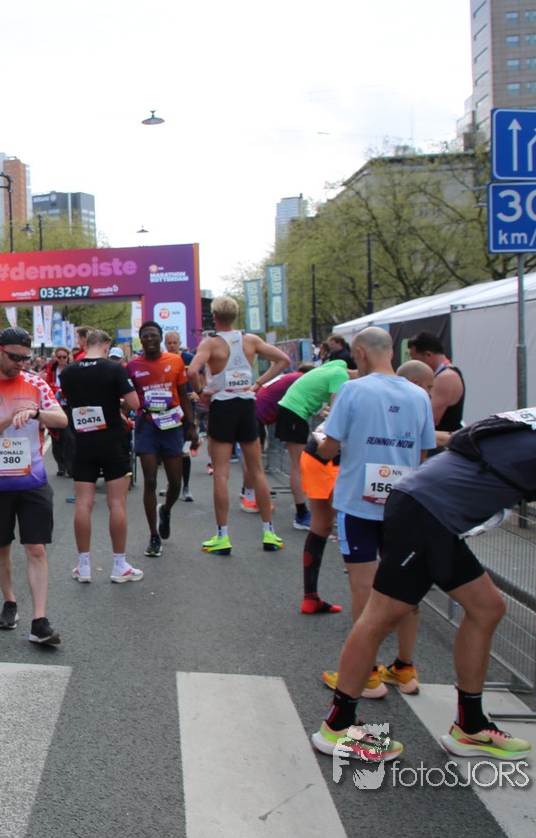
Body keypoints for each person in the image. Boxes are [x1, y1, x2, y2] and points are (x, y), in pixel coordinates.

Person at [313, 415, 536, 764]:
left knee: (487, 608)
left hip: (433, 515)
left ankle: (470, 727)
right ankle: (338, 727)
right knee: (380, 618)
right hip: (426, 513)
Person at [314, 327, 434, 700]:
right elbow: (422, 455)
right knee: (405, 586)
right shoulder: (419, 395)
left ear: (361, 354)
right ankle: (404, 667)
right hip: (403, 502)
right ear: (392, 353)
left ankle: (366, 674)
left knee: (363, 586)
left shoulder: (353, 391)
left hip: (358, 503)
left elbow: (329, 449)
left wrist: (320, 441)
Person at [0, 327, 67, 645]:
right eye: (15, 357)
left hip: (33, 480)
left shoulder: (35, 383)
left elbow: (62, 420)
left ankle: (39, 620)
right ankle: (10, 602)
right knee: (1, 547)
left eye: (25, 358)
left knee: (36, 548)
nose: (20, 363)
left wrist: (36, 413)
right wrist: (8, 418)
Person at [186, 295, 290, 555]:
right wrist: (258, 384)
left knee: (221, 473)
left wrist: (201, 393)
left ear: (215, 317)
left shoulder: (210, 344)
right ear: (235, 315)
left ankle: (223, 536)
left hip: (223, 406)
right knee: (257, 471)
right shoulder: (250, 340)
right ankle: (269, 532)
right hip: (246, 405)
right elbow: (283, 361)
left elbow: (191, 371)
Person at [61, 328, 143, 582]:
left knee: (83, 503)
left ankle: (83, 565)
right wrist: (117, 404)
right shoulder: (114, 369)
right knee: (116, 503)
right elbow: (135, 403)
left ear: (86, 345)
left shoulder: (68, 371)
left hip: (83, 440)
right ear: (106, 347)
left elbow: (74, 402)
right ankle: (119, 565)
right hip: (112, 441)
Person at [127, 321, 198, 557]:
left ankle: (165, 509)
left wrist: (191, 425)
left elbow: (183, 395)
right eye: (145, 336)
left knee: (175, 483)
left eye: (153, 335)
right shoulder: (132, 366)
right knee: (149, 480)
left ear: (160, 338)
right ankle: (153, 535)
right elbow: (126, 396)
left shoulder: (175, 361)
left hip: (172, 424)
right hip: (146, 424)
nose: (150, 339)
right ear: (141, 339)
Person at [275, 355, 352, 531]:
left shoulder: (333, 368)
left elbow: (319, 398)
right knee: (298, 465)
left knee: (299, 465)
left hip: (292, 409)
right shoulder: (341, 375)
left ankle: (307, 513)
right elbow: (336, 409)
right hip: (294, 410)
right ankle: (302, 514)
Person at [407, 330, 465, 432]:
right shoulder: (442, 375)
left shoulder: (445, 378)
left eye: (415, 359)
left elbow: (431, 419)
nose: (413, 363)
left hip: (442, 439)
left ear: (428, 355)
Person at [164, 331, 198, 502]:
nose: (172, 346)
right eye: (169, 343)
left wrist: (198, 392)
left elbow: (201, 375)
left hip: (186, 409)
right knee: (169, 451)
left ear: (179, 343)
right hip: (168, 409)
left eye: (174, 342)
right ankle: (171, 485)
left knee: (184, 451)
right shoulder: (162, 360)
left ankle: (186, 487)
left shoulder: (189, 358)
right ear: (165, 344)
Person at [43, 346, 72, 477]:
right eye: (59, 357)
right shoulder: (51, 369)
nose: (62, 360)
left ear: (68, 357)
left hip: (68, 407)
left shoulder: (72, 368)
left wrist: (64, 392)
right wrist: (56, 390)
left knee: (69, 437)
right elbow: (47, 386)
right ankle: (61, 466)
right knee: (56, 438)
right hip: (54, 407)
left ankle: (70, 466)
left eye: (64, 357)